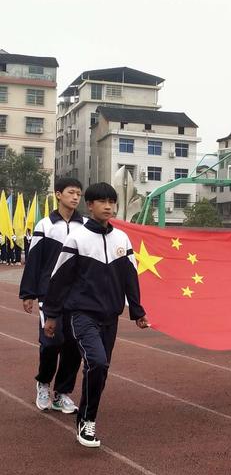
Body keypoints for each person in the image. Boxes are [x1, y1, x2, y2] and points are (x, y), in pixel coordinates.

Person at [42, 182, 149, 448]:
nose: (108, 206)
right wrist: (52, 316)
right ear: (90, 206)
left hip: (110, 318)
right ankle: (87, 422)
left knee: (101, 370)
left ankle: (85, 414)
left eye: (112, 202)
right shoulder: (77, 238)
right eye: (102, 202)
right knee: (97, 362)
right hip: (81, 315)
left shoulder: (122, 239)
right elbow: (60, 280)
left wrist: (137, 311)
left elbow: (130, 278)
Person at [19, 178, 85, 413]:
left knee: (74, 344)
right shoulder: (45, 225)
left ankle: (62, 393)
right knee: (51, 341)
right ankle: (44, 382)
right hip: (49, 294)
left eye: (79, 193)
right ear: (58, 194)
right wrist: (28, 293)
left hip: (77, 295)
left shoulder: (85, 225)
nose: (75, 197)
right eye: (71, 192)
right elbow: (34, 259)